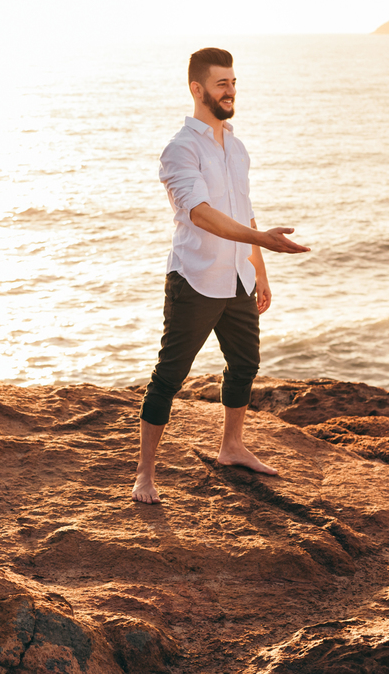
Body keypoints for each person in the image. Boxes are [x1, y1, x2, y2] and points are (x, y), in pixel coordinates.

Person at [133, 47, 310, 504]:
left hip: (238, 278)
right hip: (195, 278)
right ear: (197, 89)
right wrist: (267, 241)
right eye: (221, 84)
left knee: (246, 366)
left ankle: (231, 447)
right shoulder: (180, 149)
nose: (230, 91)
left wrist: (259, 267)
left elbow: (244, 214)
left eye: (233, 83)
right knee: (169, 377)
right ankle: (144, 476)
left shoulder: (236, 145)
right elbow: (201, 215)